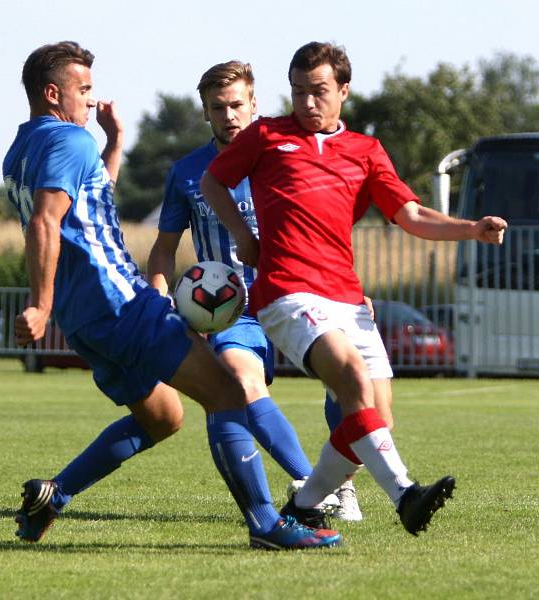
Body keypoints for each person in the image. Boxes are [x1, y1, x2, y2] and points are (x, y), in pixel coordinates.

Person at [2, 41, 341, 550]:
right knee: (227, 392)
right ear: (54, 93)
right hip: (119, 303)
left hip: (86, 321)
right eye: (84, 90)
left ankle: (55, 494)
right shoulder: (69, 142)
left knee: (163, 417)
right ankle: (268, 525)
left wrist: (114, 143)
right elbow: (46, 222)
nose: (92, 101)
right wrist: (39, 303)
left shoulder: (22, 150)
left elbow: (87, 201)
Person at [201, 41, 508, 536]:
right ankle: (406, 494)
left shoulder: (365, 151)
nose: (306, 103)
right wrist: (243, 236)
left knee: (374, 418)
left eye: (318, 91)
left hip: (346, 296)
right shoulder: (266, 135)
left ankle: (301, 507)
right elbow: (213, 182)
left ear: (343, 90)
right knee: (350, 378)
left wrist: (471, 228)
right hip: (287, 292)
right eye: (297, 92)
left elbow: (410, 214)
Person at [147, 60, 358, 524]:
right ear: (205, 112)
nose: (229, 115)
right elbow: (163, 250)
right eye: (218, 107)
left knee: (345, 386)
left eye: (237, 104)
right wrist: (160, 293)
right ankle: (313, 485)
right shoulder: (188, 172)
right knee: (243, 385)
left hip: (300, 296)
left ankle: (345, 483)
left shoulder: (288, 153)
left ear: (255, 103)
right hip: (232, 311)